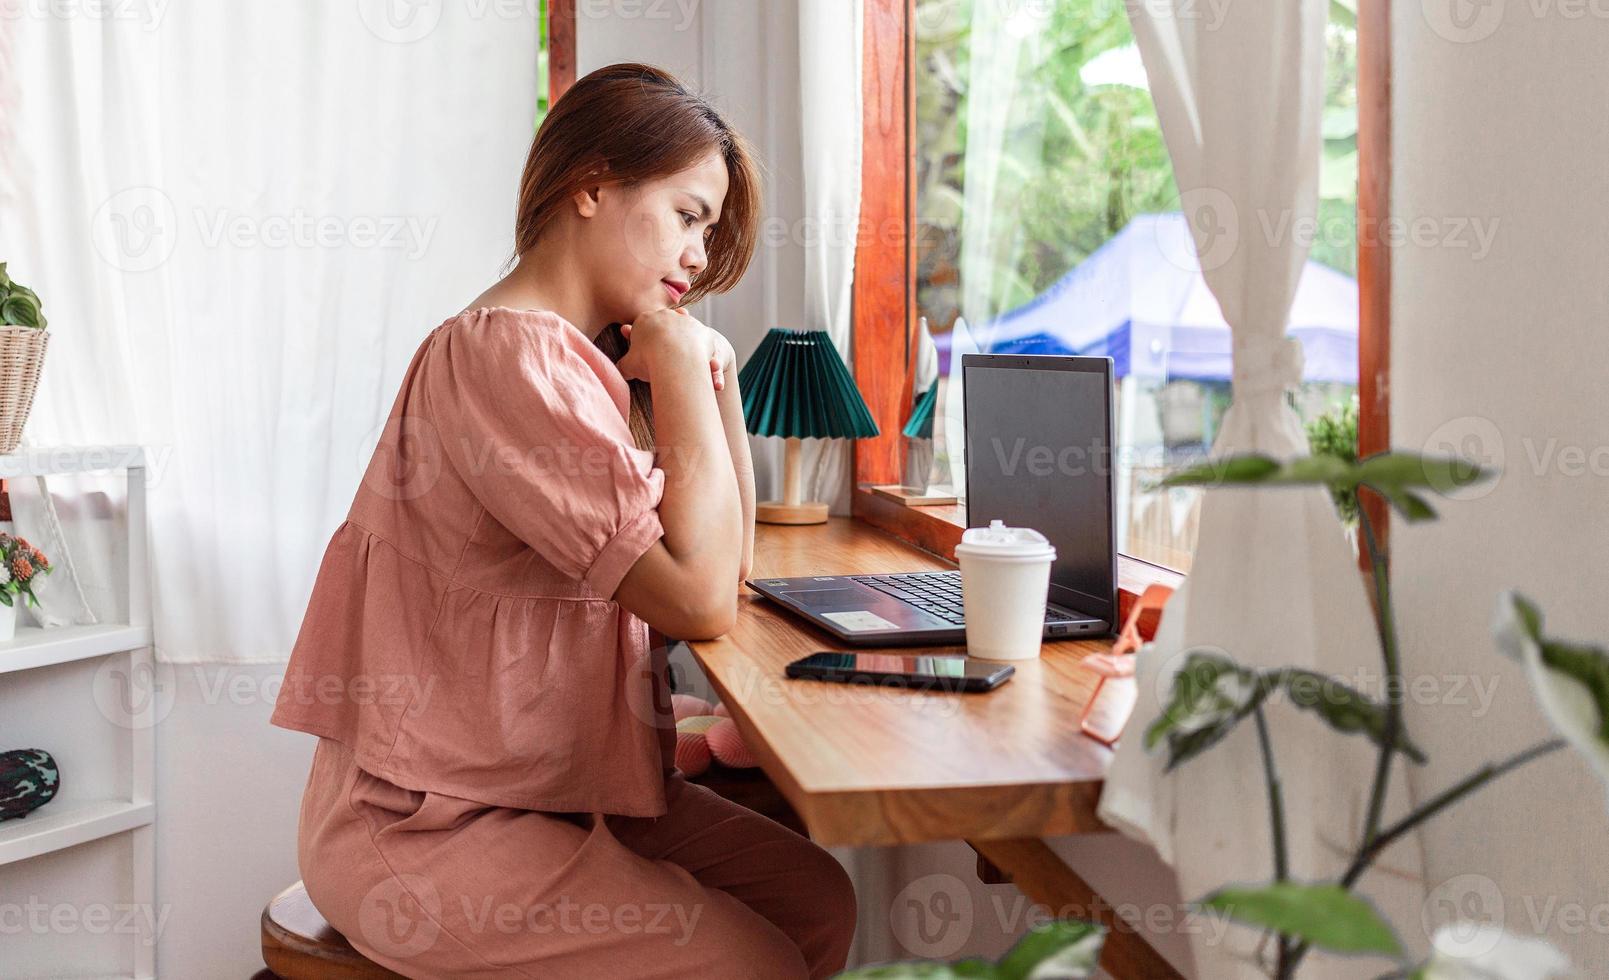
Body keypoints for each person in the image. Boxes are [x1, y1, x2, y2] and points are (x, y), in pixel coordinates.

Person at [269, 62, 857, 979]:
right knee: (753, 963)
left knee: (814, 903)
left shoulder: (583, 365)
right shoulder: (507, 358)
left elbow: (726, 572)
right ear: (591, 185)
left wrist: (712, 373)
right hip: (426, 828)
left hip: (547, 798)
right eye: (689, 215)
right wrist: (674, 362)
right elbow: (700, 604)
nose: (699, 256)